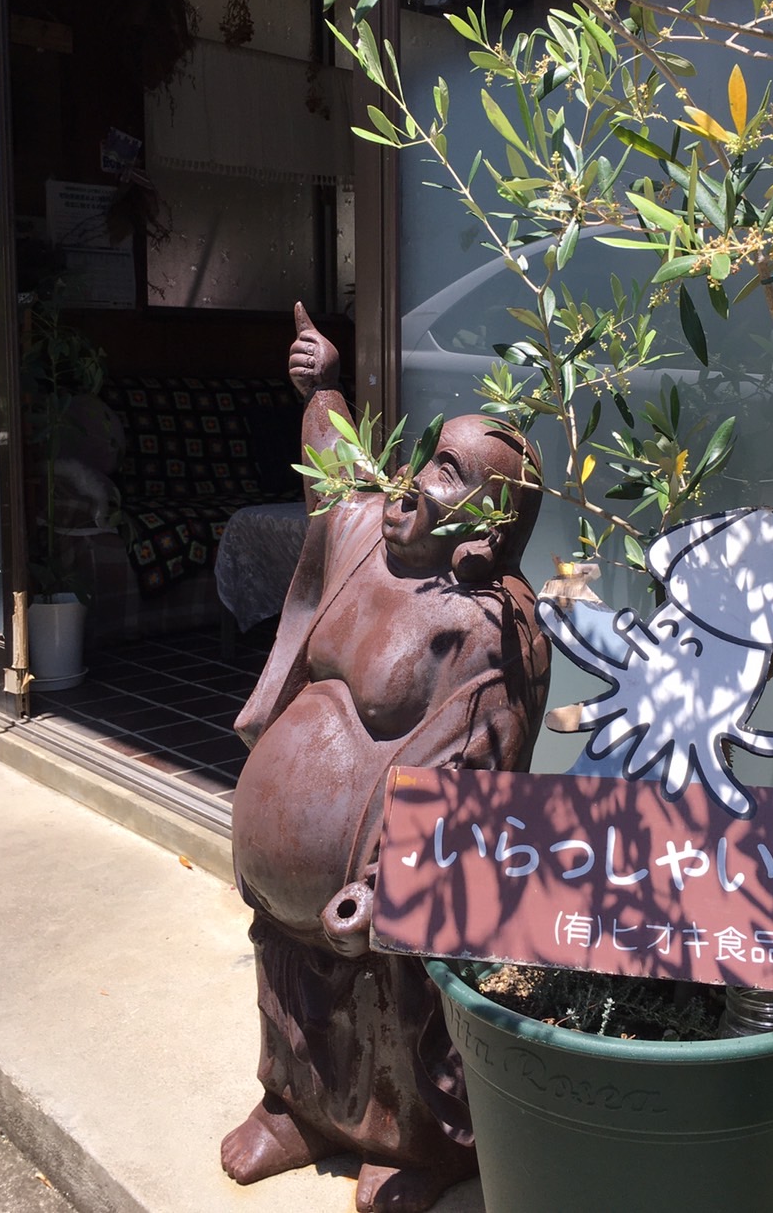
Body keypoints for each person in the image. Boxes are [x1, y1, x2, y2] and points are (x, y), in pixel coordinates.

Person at [221, 304, 549, 1213]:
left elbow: (477, 769)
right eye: (427, 456)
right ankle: (296, 1109)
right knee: (290, 987)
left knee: (397, 1008)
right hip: (287, 889)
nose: (413, 480)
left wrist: (385, 878)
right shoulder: (363, 533)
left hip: (373, 888)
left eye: (447, 472)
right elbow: (334, 469)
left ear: (487, 530)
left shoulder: (490, 624)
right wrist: (321, 386)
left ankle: (415, 1145)